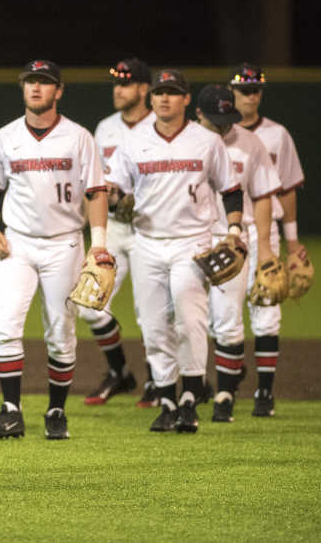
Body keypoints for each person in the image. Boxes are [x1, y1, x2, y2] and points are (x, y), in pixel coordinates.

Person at [0, 60, 109, 441]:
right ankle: (11, 411)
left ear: (59, 90)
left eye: (44, 82)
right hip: (16, 244)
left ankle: (56, 411)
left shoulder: (79, 137)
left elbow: (96, 191)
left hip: (65, 243)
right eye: (30, 82)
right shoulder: (5, 137)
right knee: (5, 324)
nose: (36, 88)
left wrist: (98, 245)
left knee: (61, 330)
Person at [106, 69, 242, 434]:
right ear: (151, 98)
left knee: (190, 320)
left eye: (173, 92)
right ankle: (167, 400)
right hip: (146, 244)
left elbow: (230, 189)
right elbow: (113, 187)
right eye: (159, 92)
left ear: (186, 99)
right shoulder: (133, 141)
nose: (164, 98)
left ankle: (190, 398)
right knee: (153, 325)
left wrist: (234, 229)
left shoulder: (206, 140)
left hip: (192, 243)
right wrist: (114, 198)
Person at [193, 85, 280, 422]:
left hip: (234, 239)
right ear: (198, 114)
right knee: (194, 319)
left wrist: (267, 247)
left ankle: (225, 396)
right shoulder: (187, 143)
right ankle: (191, 387)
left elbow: (262, 195)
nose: (223, 125)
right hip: (192, 238)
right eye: (215, 119)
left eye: (227, 118)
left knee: (229, 320)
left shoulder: (248, 142)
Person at [230, 63, 305, 417]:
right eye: (244, 89)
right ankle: (227, 380)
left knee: (266, 308)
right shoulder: (218, 133)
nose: (250, 95)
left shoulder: (277, 134)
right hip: (224, 233)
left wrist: (292, 243)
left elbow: (288, 188)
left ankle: (264, 391)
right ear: (232, 92)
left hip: (266, 233)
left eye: (256, 89)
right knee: (222, 315)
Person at [81, 58, 156, 407]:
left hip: (148, 229)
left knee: (152, 311)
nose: (118, 90)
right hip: (112, 227)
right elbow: (95, 182)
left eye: (125, 84)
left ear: (144, 89)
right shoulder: (105, 127)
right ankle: (120, 373)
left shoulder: (163, 124)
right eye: (115, 83)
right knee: (90, 305)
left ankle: (161, 379)